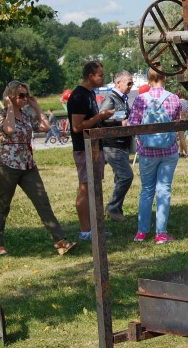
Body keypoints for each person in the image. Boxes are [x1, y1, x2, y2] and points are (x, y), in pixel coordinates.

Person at [0, 81, 76, 256]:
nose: (24, 99)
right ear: (10, 96)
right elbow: (9, 128)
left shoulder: (26, 115)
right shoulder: (0, 115)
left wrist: (36, 106)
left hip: (28, 165)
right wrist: (8, 107)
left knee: (42, 202)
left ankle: (60, 241)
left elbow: (46, 127)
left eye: (26, 95)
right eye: (20, 95)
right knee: (2, 204)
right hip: (8, 165)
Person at [128, 66, 181, 244]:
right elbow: (177, 124)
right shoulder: (174, 99)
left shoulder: (140, 100)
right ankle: (161, 234)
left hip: (147, 152)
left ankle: (141, 232)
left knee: (147, 191)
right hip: (169, 151)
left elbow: (133, 124)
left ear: (148, 80)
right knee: (164, 190)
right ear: (165, 78)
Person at [68, 61, 114, 241]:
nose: (102, 77)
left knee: (94, 187)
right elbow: (77, 127)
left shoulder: (89, 94)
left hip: (94, 147)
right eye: (100, 75)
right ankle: (85, 230)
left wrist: (104, 120)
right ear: (90, 76)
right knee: (85, 188)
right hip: (83, 148)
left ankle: (95, 228)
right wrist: (99, 116)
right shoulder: (79, 96)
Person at [99, 70, 134, 222]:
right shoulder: (111, 98)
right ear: (118, 83)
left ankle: (116, 211)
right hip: (112, 145)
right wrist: (120, 123)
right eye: (129, 82)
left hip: (121, 144)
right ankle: (113, 207)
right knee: (127, 176)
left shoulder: (122, 98)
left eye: (132, 83)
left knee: (120, 177)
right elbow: (101, 118)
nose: (131, 86)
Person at [176, 89, 188, 157]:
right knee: (182, 135)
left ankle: (187, 152)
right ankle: (181, 152)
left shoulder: (177, 102)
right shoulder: (187, 102)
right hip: (186, 120)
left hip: (180, 120)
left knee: (181, 137)